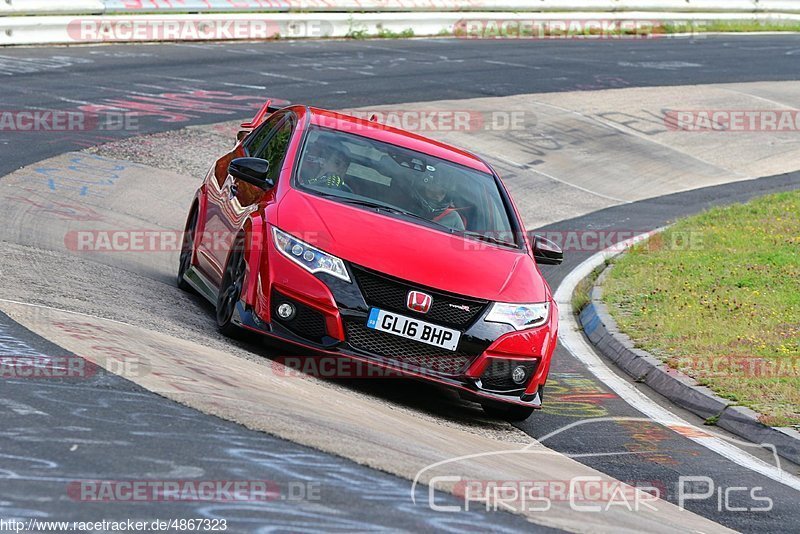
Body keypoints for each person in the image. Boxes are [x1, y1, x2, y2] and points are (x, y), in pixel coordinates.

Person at [410, 165, 465, 231]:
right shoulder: (408, 204)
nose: (437, 194)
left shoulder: (453, 217)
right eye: (435, 186)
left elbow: (462, 240)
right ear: (426, 184)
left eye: (442, 192)